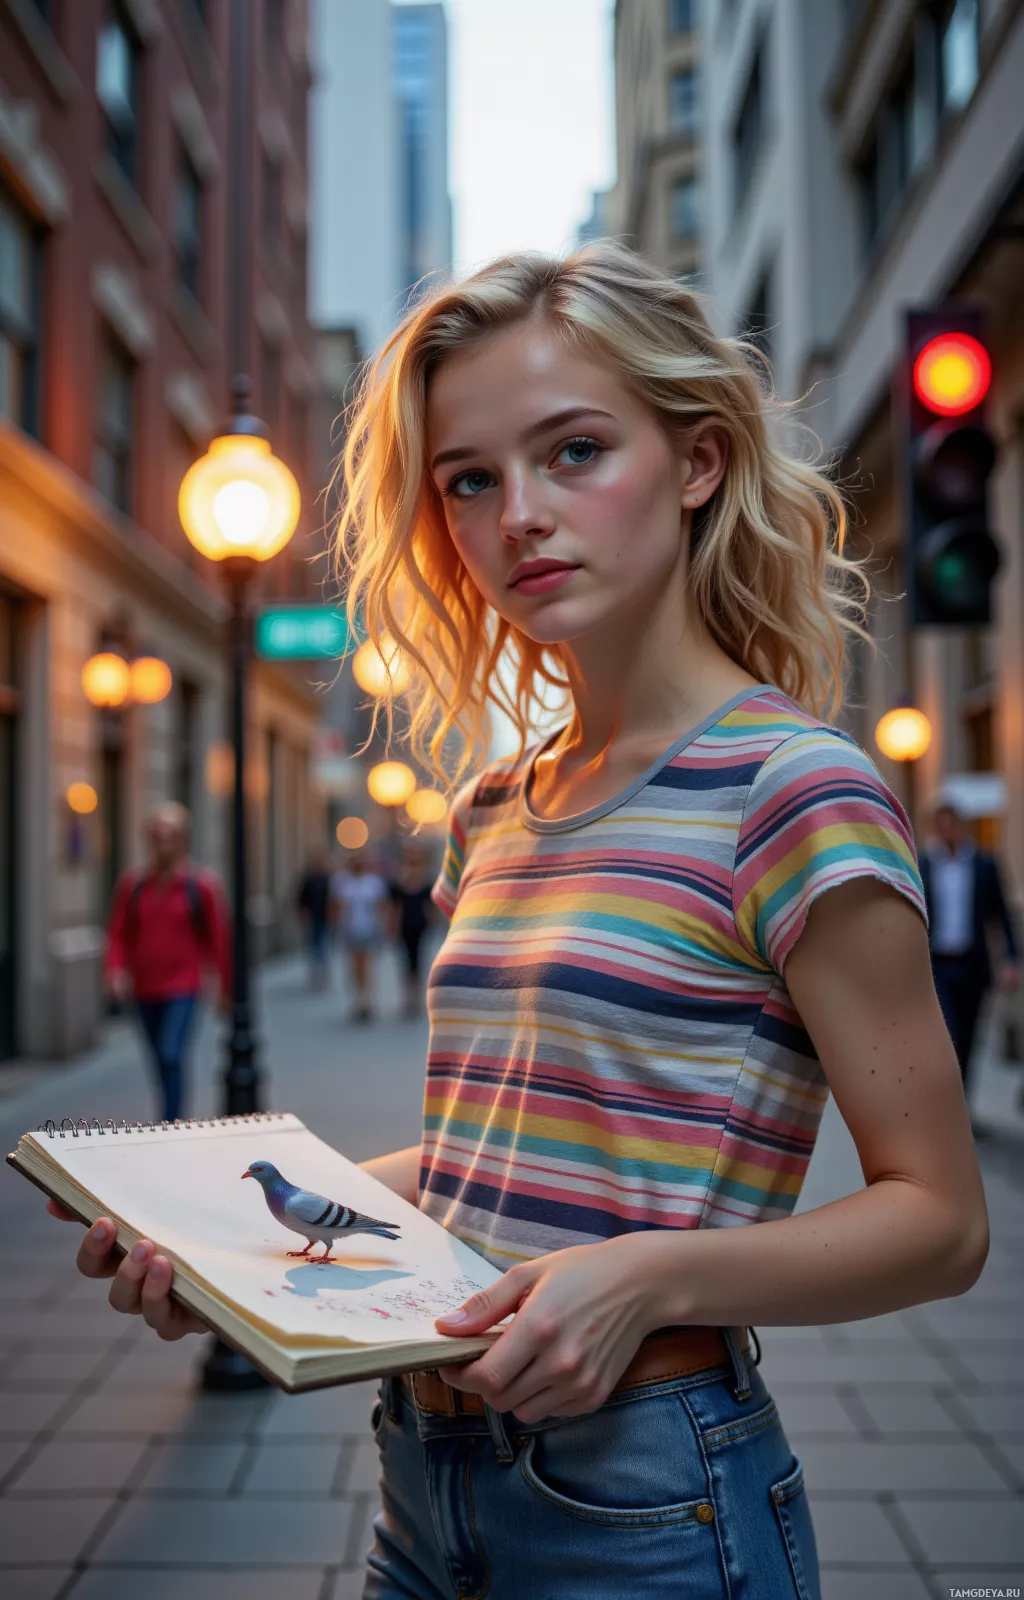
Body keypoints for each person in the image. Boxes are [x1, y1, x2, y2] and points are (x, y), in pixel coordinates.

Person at [50, 241, 989, 1600]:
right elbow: (483, 1156)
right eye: (470, 480)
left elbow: (942, 1222)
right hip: (423, 1480)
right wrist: (221, 1250)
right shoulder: (496, 803)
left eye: (575, 452)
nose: (520, 517)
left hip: (648, 1494)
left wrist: (646, 1279)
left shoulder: (792, 789)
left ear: (698, 461)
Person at [104, 801, 230, 1123]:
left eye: (170, 835)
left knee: (171, 1051)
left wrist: (225, 988)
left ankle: (171, 1121)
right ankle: (171, 1115)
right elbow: (118, 934)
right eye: (157, 835)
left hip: (184, 986)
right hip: (144, 988)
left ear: (183, 838)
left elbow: (218, 940)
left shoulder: (201, 885)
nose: (163, 843)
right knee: (159, 1058)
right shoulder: (133, 885)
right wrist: (115, 970)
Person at [919, 797, 1020, 1120]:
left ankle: (962, 1111)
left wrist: (1011, 958)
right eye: (941, 824)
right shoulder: (924, 865)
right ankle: (946, 1110)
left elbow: (1001, 914)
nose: (947, 830)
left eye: (952, 823)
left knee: (968, 1039)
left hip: (972, 965)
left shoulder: (984, 864)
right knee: (947, 1035)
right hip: (937, 966)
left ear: (962, 826)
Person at [331, 851, 388, 1023]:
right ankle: (357, 1000)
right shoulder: (343, 882)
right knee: (354, 967)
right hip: (350, 930)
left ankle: (367, 1000)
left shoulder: (373, 882)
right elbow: (336, 906)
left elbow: (381, 906)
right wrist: (337, 927)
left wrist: (383, 927)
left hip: (369, 929)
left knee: (368, 965)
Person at [387, 843, 437, 1018]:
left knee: (418, 962)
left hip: (420, 926)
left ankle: (416, 998)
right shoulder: (399, 882)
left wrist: (432, 924)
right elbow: (395, 908)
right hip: (404, 927)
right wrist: (392, 927)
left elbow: (430, 907)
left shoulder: (426, 881)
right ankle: (408, 997)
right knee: (406, 963)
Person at [295, 845, 334, 990]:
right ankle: (316, 972)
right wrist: (302, 914)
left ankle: (322, 972)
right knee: (314, 945)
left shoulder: (328, 879)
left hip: (325, 918)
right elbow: (301, 899)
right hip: (313, 917)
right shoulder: (308, 879)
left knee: (324, 945)